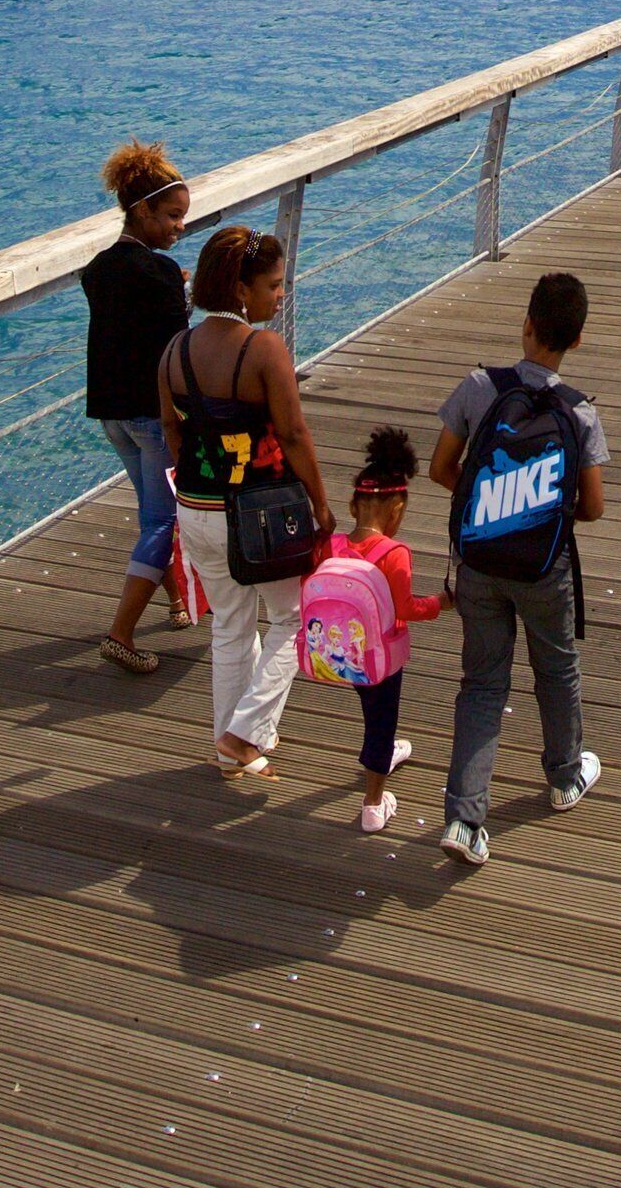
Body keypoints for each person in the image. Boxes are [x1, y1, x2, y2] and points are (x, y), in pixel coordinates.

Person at [426, 271, 610, 865]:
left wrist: (489, 508)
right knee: (556, 672)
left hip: (478, 562)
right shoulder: (578, 413)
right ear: (576, 341)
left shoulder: (480, 387)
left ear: (525, 325)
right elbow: (593, 508)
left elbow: (440, 468)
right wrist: (534, 516)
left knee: (481, 684)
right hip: (543, 570)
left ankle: (462, 818)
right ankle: (563, 776)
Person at [157, 224, 331, 782]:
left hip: (195, 509)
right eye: (274, 286)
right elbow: (296, 435)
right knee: (293, 618)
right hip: (260, 513)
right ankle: (244, 733)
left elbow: (171, 433)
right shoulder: (263, 349)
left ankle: (230, 749)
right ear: (241, 290)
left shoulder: (174, 350)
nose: (281, 295)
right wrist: (321, 509)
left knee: (230, 626)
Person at [83, 141, 195, 673]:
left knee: (153, 509)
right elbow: (178, 348)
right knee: (163, 517)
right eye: (172, 216)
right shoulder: (162, 274)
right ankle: (121, 634)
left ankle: (176, 602)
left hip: (111, 415)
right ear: (143, 209)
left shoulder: (98, 269)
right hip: (153, 417)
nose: (178, 228)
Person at [334, 427, 447, 833]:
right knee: (382, 723)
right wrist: (443, 603)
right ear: (397, 508)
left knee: (372, 713)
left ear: (353, 505)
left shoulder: (331, 546)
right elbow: (407, 609)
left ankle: (382, 751)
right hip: (382, 660)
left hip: (340, 653)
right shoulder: (393, 553)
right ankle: (373, 804)